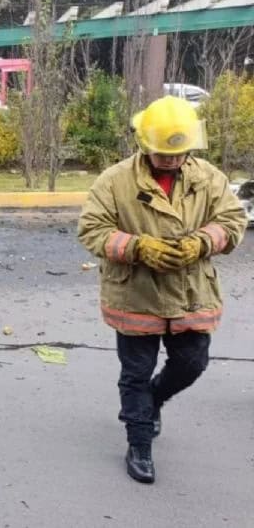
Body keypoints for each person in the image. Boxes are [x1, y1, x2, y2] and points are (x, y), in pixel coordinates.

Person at [78, 96, 246, 484]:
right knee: (135, 373)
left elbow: (233, 220)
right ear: (145, 145)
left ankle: (152, 402)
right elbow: (91, 229)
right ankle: (139, 443)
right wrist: (138, 247)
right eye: (163, 153)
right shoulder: (115, 180)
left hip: (190, 293)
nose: (171, 160)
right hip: (135, 295)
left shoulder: (207, 177)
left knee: (192, 362)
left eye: (179, 153)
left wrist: (202, 242)